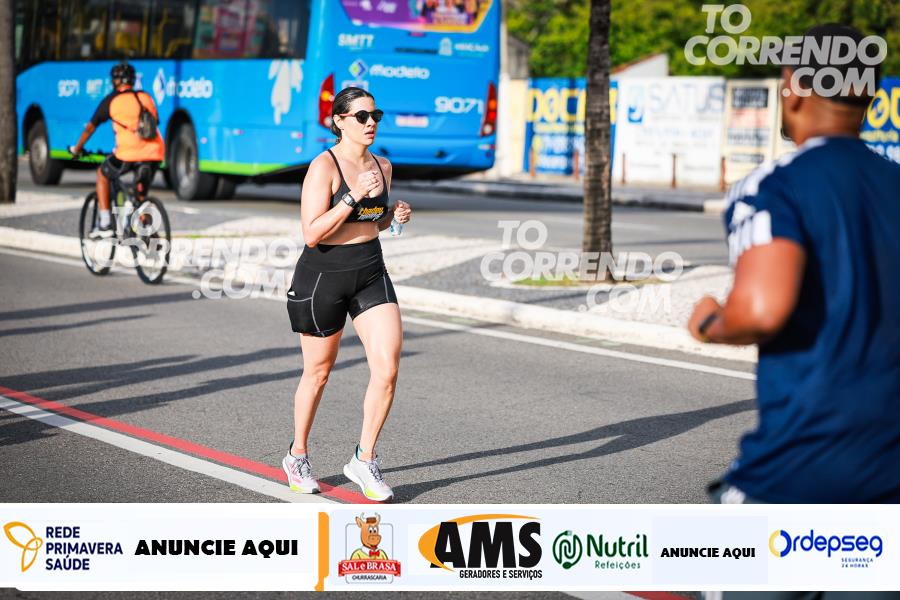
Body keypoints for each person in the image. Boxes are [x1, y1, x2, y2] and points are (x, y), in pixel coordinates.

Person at [688, 24, 899, 505]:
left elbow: (759, 312)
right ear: (868, 94)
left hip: (797, 471)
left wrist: (708, 321)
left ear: (796, 87)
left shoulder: (771, 186)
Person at [282, 87, 412, 502]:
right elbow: (312, 232)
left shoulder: (383, 166)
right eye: (361, 117)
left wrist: (394, 216)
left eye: (376, 115)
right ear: (339, 121)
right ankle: (297, 455)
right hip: (323, 275)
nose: (371, 123)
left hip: (370, 271)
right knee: (318, 373)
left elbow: (372, 221)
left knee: (387, 368)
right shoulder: (325, 167)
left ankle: (364, 458)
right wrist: (354, 195)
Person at [70, 62, 165, 239]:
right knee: (139, 196)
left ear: (115, 81)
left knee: (102, 174)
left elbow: (90, 128)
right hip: (155, 153)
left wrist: (77, 149)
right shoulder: (145, 97)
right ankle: (147, 232)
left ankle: (105, 223)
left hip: (128, 154)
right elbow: (154, 122)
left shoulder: (112, 100)